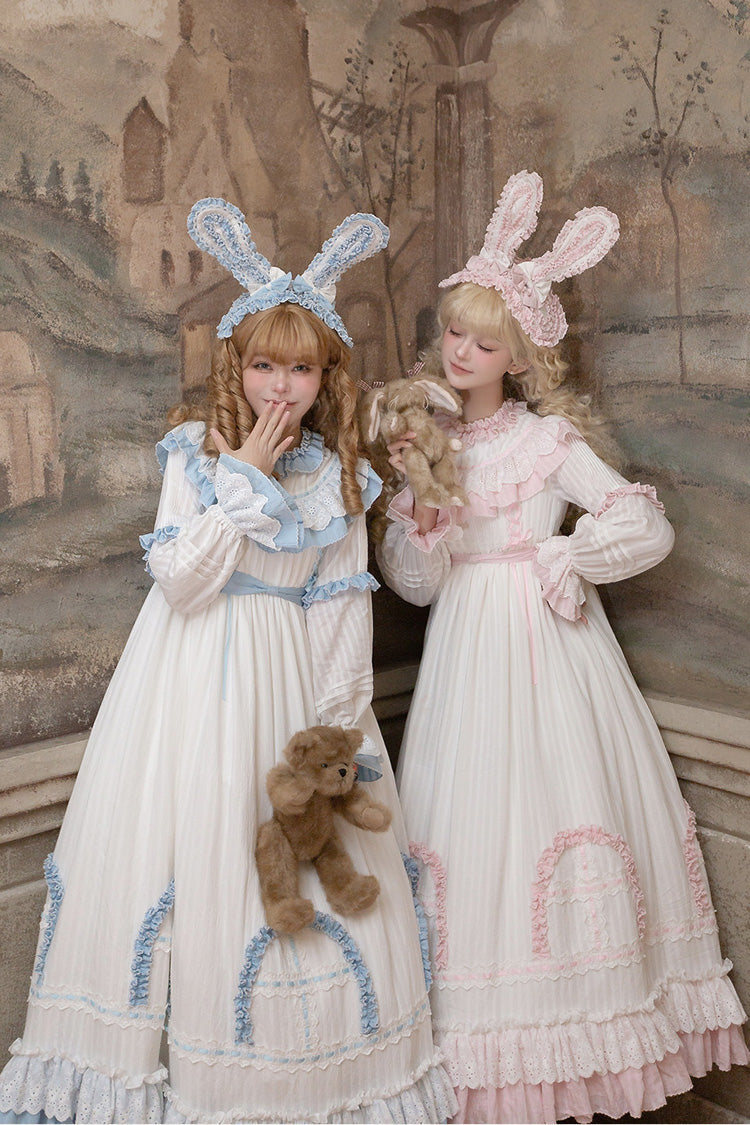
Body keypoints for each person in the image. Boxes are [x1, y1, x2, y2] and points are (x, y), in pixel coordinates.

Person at [0, 200, 457, 1124]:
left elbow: (340, 610)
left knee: (298, 847)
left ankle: (306, 1086)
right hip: (191, 680)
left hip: (289, 686)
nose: (281, 385)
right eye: (263, 364)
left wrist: (337, 731)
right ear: (235, 365)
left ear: (325, 372)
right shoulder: (194, 457)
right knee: (195, 854)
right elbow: (181, 581)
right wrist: (242, 473)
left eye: (301, 367)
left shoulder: (339, 475)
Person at [375, 170, 750, 1124]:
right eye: (454, 333)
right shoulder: (430, 443)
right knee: (469, 823)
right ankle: (481, 1053)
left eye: (483, 340)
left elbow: (644, 524)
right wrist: (425, 516)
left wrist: (567, 554)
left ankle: (577, 1047)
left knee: (555, 807)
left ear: (519, 355)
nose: (461, 351)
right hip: (464, 654)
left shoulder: (545, 441)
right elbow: (414, 584)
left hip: (547, 650)